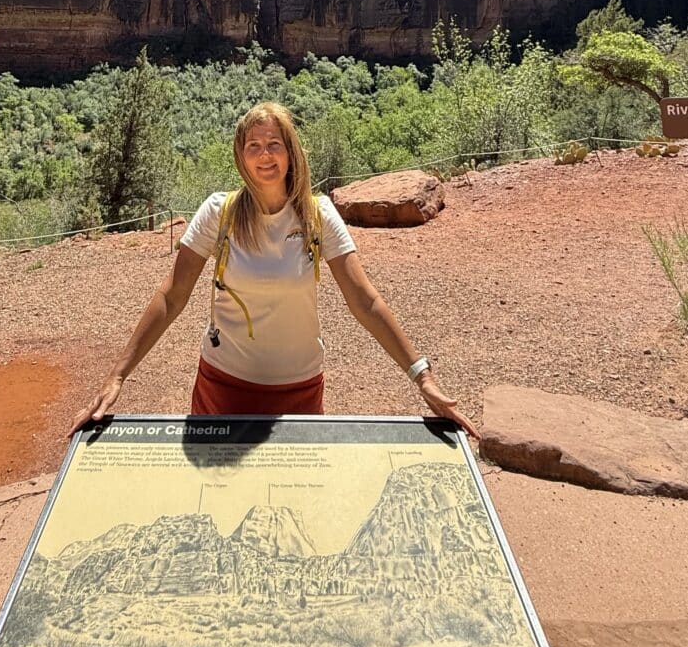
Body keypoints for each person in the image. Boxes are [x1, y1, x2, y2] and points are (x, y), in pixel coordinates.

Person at [70, 101, 478, 438]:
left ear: (291, 152)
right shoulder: (218, 212)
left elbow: (365, 301)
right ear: (240, 155)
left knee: (291, 512)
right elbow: (171, 296)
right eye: (253, 145)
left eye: (274, 144)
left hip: (298, 390)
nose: (265, 155)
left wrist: (422, 377)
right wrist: (117, 376)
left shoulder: (319, 216)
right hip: (222, 387)